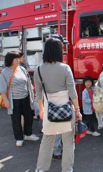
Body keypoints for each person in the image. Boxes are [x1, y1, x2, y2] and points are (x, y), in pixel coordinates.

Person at [34, 38, 82, 172]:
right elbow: (72, 92)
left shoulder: (38, 70)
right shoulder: (65, 68)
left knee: (46, 141)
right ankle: (67, 169)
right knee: (68, 143)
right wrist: (77, 110)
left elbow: (38, 93)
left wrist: (41, 110)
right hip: (66, 109)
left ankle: (41, 169)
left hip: (49, 109)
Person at [0, 51, 39, 147]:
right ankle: (19, 138)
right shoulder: (5, 72)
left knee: (29, 116)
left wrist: (32, 93)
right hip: (14, 99)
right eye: (16, 59)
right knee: (16, 119)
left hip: (25, 97)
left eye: (18, 58)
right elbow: (2, 89)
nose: (18, 60)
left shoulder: (22, 69)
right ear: (10, 60)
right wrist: (6, 100)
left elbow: (28, 82)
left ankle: (28, 134)